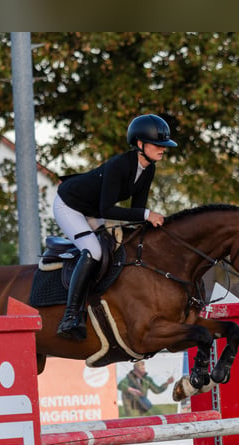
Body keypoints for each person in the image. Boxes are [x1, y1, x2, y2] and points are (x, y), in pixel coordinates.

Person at [53, 113, 178, 340]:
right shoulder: (119, 165)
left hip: (92, 211)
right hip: (69, 205)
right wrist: (148, 214)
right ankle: (70, 316)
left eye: (164, 145)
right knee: (95, 251)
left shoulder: (148, 168)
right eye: (158, 144)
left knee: (113, 251)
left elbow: (137, 210)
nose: (163, 149)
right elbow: (108, 210)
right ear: (140, 144)